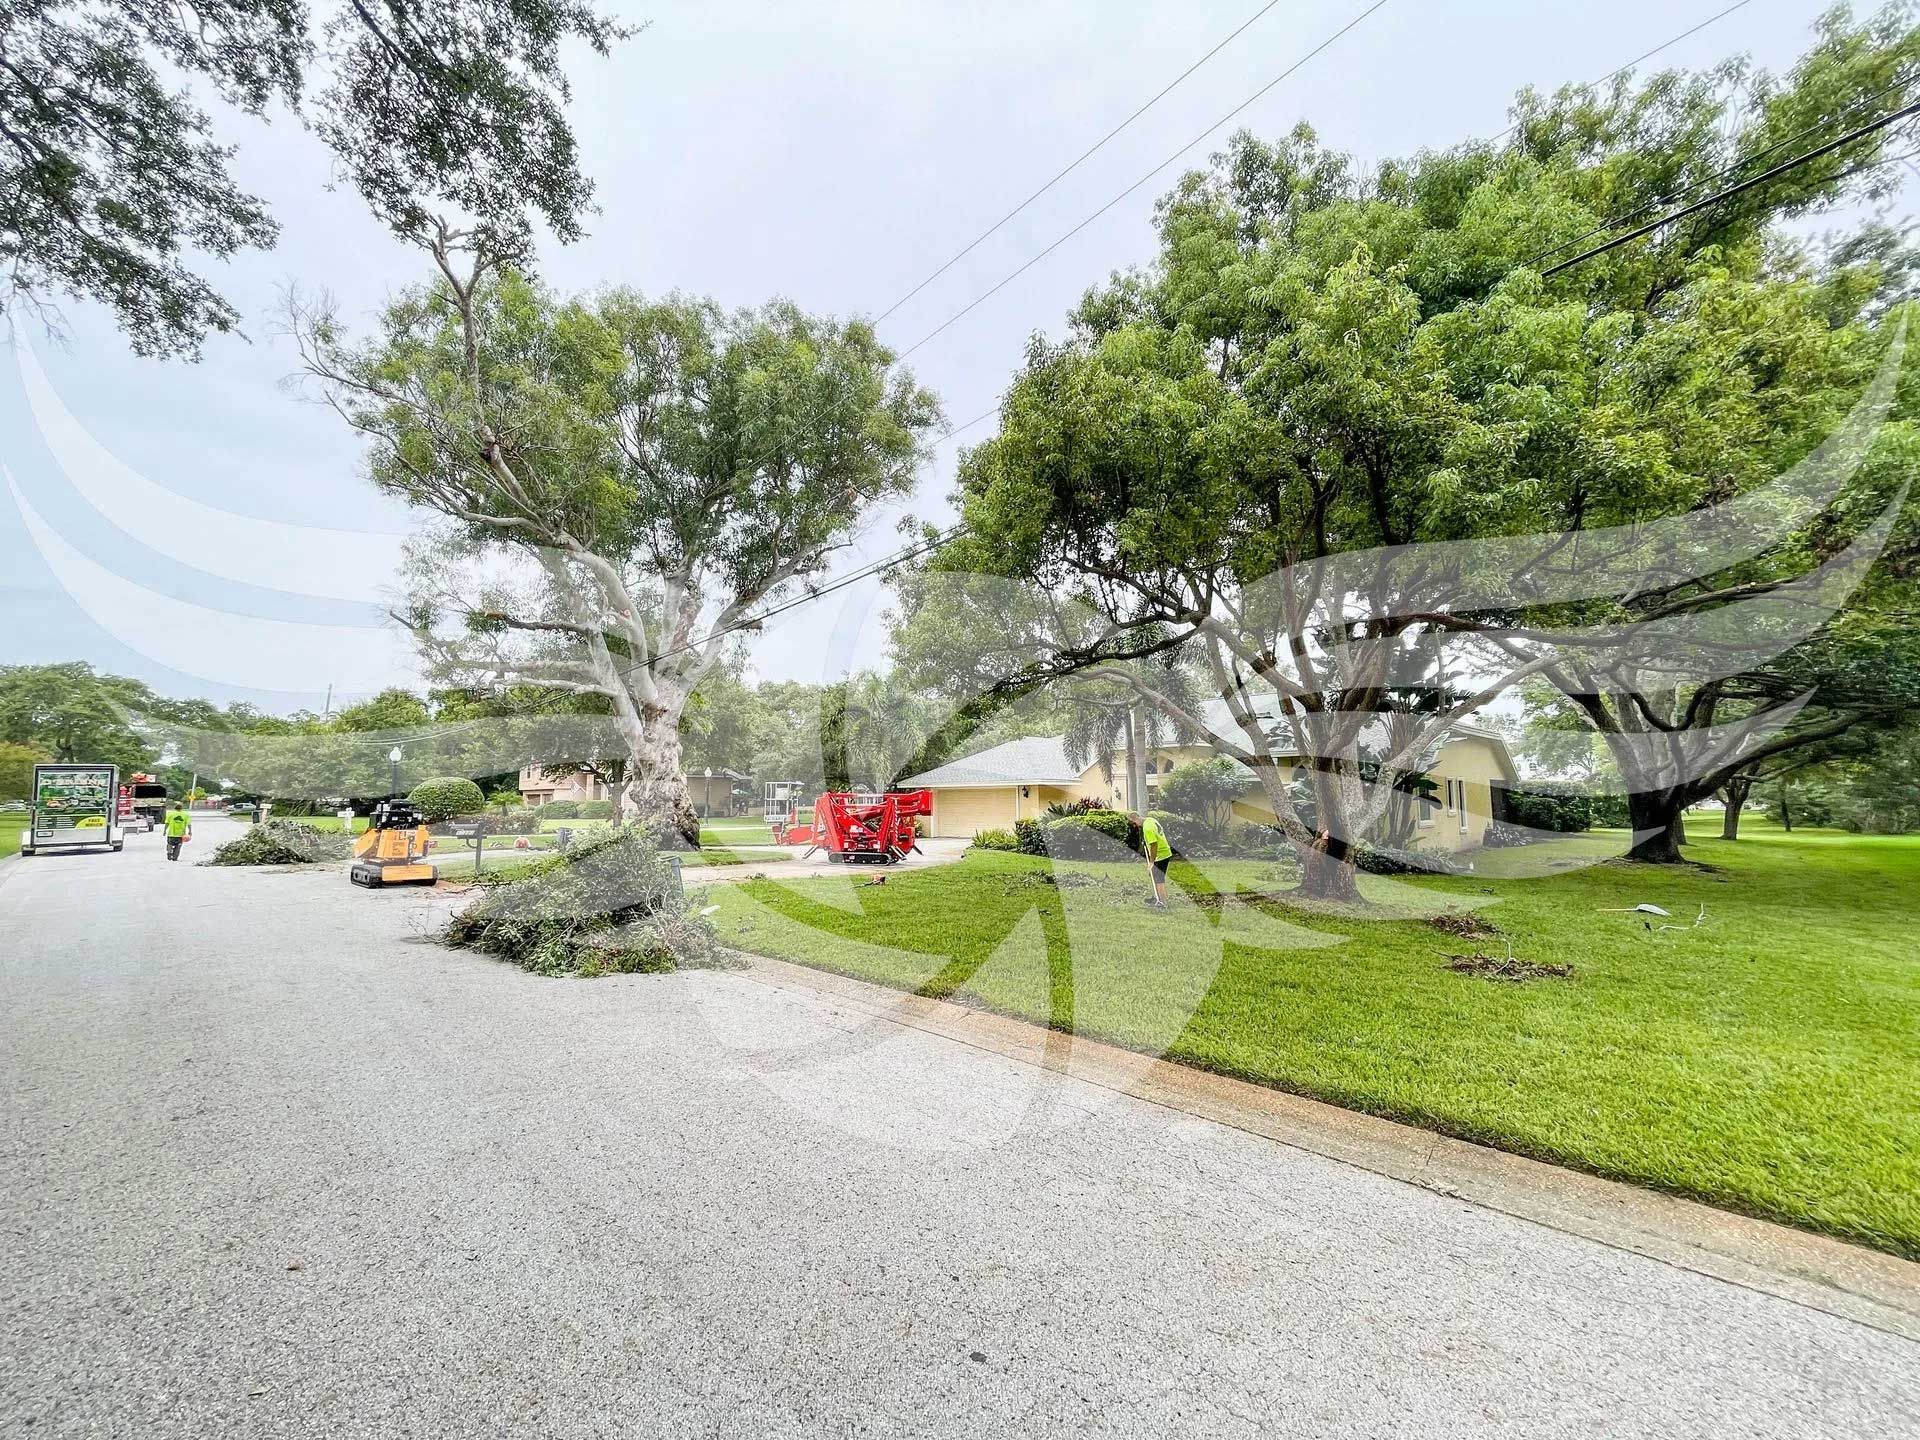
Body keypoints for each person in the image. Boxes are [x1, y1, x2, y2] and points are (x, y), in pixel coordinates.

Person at [1133, 811, 1172, 909]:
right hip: (1164, 852)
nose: (1135, 826)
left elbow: (1154, 845)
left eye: (1134, 824)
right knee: (1154, 875)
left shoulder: (1147, 828)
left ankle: (1163, 903)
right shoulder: (1150, 820)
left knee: (1159, 879)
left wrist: (1151, 862)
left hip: (1160, 855)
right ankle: (1157, 897)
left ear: (1135, 819)